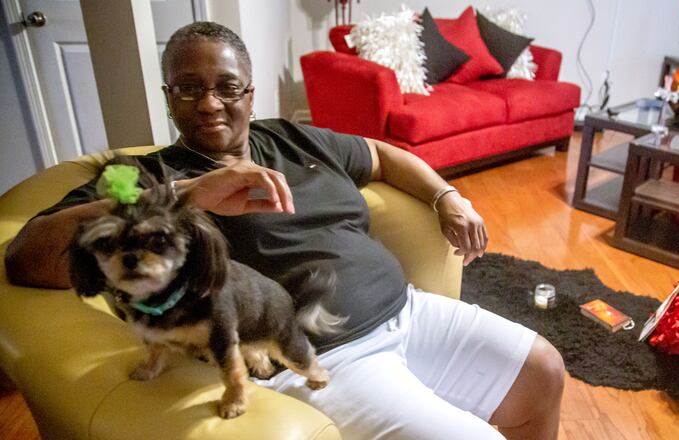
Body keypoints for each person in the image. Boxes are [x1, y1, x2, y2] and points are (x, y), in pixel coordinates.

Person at [5, 22, 564, 440]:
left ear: (250, 94)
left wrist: (447, 197)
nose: (208, 104)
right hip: (321, 356)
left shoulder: (293, 138)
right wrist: (184, 196)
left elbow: (383, 155)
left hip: (407, 310)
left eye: (227, 87)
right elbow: (27, 256)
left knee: (544, 369)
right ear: (168, 96)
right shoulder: (143, 180)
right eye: (187, 88)